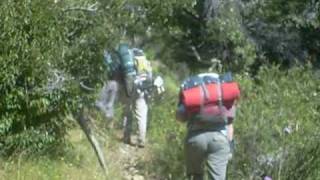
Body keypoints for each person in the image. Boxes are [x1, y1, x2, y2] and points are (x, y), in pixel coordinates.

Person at [96, 43, 164, 148]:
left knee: (127, 112)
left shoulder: (127, 59)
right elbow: (149, 75)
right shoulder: (143, 59)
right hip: (142, 89)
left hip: (127, 87)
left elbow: (118, 73)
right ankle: (141, 140)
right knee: (141, 114)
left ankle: (126, 136)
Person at [176, 72, 239, 180]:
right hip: (219, 139)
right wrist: (230, 147)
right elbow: (229, 124)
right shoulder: (222, 91)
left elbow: (180, 117)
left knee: (196, 176)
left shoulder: (191, 88)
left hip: (195, 139)